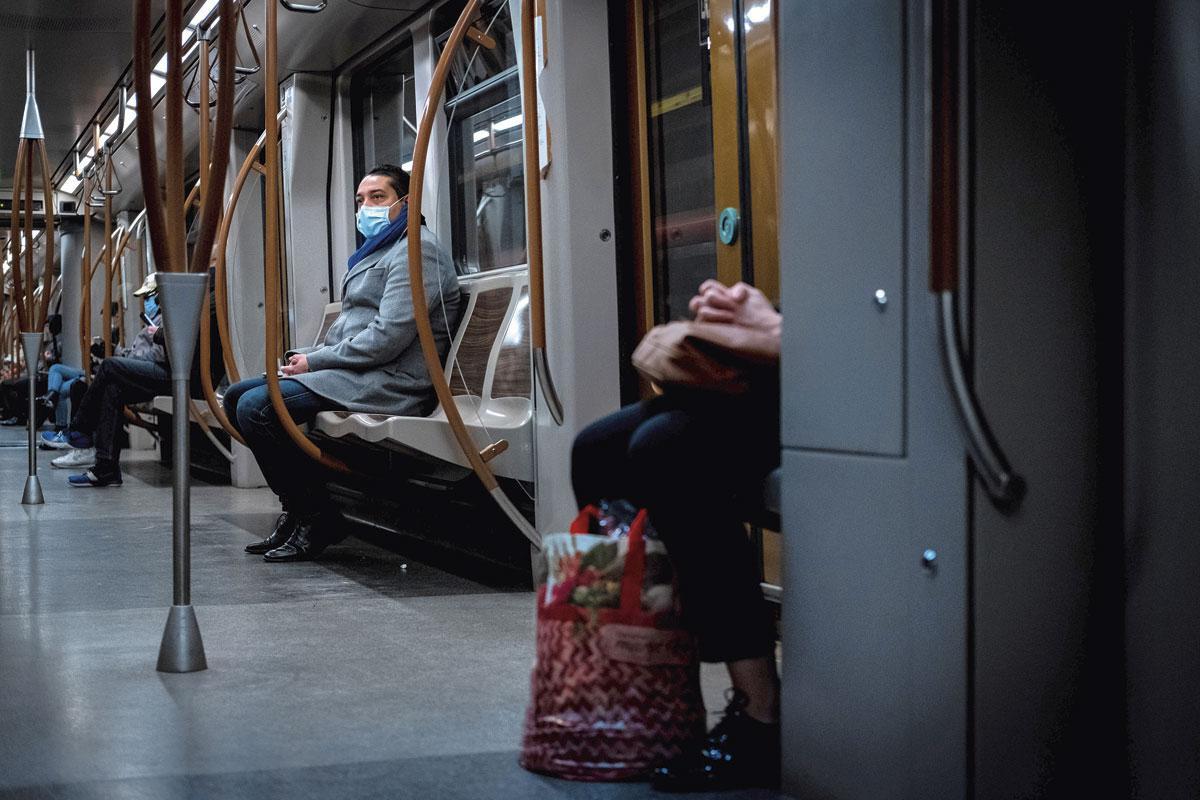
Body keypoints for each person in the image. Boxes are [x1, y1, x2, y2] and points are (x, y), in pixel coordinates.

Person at [570, 280, 783, 793]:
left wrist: (772, 330)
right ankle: (646, 683)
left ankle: (760, 713)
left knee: (668, 448)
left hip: (838, 379)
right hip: (776, 370)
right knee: (596, 448)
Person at [224, 164, 462, 563]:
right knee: (234, 397)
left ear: (407, 202)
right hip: (358, 371)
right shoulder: (383, 251)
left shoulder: (417, 251)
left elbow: (387, 339)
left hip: (393, 379)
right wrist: (309, 358)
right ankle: (298, 509)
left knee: (257, 407)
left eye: (377, 197)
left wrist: (314, 361)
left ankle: (317, 516)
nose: (365, 207)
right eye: (359, 200)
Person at [47, 273, 169, 482]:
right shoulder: (151, 322)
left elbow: (159, 355)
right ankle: (106, 466)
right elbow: (136, 355)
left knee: (109, 366)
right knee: (112, 389)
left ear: (159, 297)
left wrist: (129, 356)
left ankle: (79, 430)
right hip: (149, 371)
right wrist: (115, 351)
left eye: (149, 297)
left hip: (164, 373)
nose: (146, 302)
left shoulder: (165, 320)